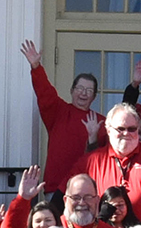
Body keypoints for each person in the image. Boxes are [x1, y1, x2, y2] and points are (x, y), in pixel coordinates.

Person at [21, 39, 99, 190]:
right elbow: (45, 93)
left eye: (89, 90)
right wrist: (36, 67)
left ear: (94, 96)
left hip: (86, 191)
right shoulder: (58, 112)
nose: (83, 93)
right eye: (79, 88)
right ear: (71, 91)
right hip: (56, 188)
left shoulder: (100, 122)